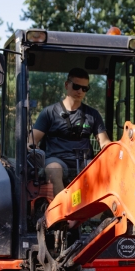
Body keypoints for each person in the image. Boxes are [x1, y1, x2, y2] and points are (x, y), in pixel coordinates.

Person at [31, 68, 112, 197]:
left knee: (103, 169)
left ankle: (96, 209)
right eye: (76, 86)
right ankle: (62, 208)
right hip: (57, 160)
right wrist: (35, 153)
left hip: (84, 161)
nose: (80, 91)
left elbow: (104, 142)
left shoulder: (93, 114)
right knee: (54, 169)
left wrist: (115, 152)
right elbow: (32, 141)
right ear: (66, 85)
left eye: (84, 88)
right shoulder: (49, 113)